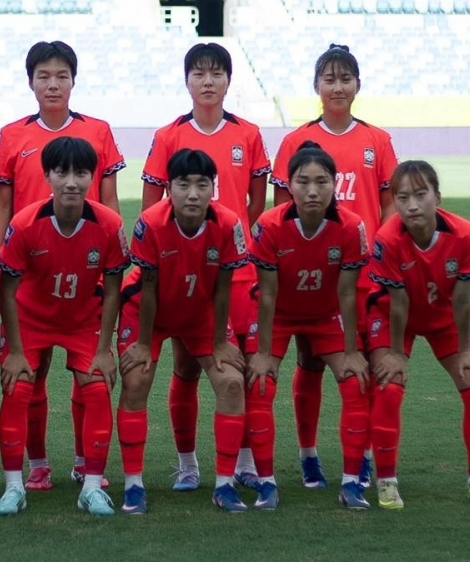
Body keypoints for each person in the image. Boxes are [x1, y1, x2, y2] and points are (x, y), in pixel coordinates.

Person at [0, 40, 125, 491]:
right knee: (32, 371)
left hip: (84, 266)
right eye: (43, 76)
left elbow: (109, 200)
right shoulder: (13, 135)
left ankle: (86, 462)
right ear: (30, 81)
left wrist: (108, 256)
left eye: (61, 76)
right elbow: (3, 204)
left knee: (89, 374)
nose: (52, 84)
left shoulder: (98, 130)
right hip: (29, 269)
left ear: (73, 80)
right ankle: (39, 463)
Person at [140, 42, 270, 490]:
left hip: (236, 271)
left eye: (216, 73)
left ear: (229, 81)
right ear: (187, 80)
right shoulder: (168, 135)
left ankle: (245, 461)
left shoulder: (248, 134)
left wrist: (231, 241)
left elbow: (256, 202)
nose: (208, 81)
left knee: (239, 365)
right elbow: (151, 208)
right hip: (182, 270)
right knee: (187, 366)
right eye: (199, 73)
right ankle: (188, 463)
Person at [270, 44, 397, 490]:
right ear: (316, 86)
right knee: (309, 361)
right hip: (310, 275)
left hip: (361, 276)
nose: (338, 87)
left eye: (345, 79)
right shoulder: (296, 141)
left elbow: (389, 207)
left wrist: (381, 258)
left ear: (358, 85)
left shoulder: (377, 140)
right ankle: (308, 455)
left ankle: (361, 456)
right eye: (329, 79)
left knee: (360, 363)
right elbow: (280, 212)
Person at [117, 149, 255, 514]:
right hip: (147, 310)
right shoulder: (150, 223)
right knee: (136, 381)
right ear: (169, 188)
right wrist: (143, 344)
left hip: (199, 310)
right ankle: (133, 485)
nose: (192, 194)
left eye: (201, 184)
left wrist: (220, 342)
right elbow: (148, 287)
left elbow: (223, 288)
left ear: (213, 188)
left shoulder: (228, 223)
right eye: (183, 184)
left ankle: (225, 485)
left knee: (232, 383)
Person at [247, 142, 373, 510]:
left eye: (321, 181)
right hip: (278, 314)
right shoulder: (269, 225)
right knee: (260, 383)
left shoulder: (351, 226)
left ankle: (351, 483)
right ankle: (267, 482)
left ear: (335, 183)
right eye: (303, 182)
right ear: (289, 185)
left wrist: (352, 351)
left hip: (325, 314)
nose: (312, 191)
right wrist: (263, 353)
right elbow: (267, 294)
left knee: (355, 381)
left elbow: (347, 293)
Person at [367, 160, 470, 510]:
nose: (412, 205)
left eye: (420, 194)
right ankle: (386, 482)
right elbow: (398, 304)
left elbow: (463, 298)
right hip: (394, 316)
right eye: (402, 197)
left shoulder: (464, 233)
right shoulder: (386, 239)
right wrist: (395, 354)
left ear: (437, 197)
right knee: (388, 387)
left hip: (446, 315)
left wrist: (466, 349)